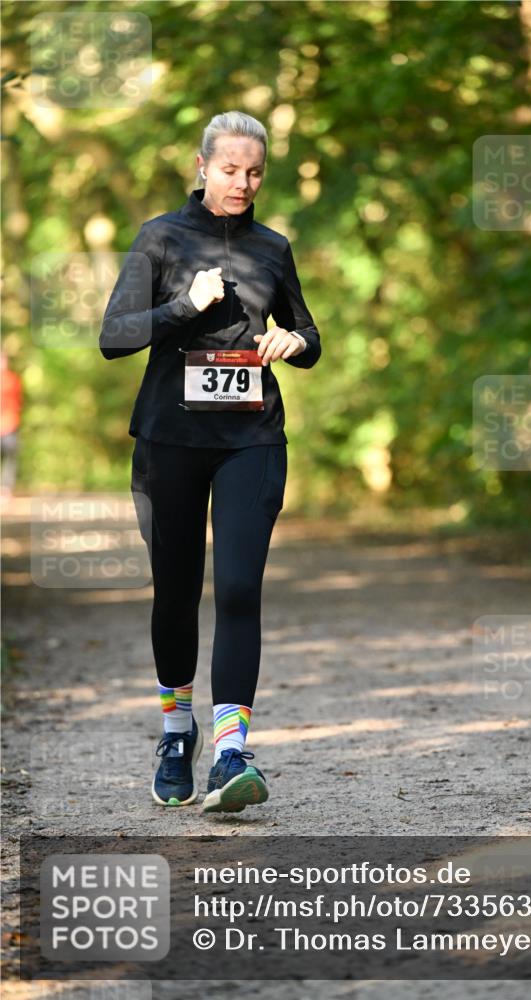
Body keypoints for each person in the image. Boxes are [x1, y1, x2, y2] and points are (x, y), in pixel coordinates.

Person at [99, 111, 321, 814]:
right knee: (175, 592)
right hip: (169, 439)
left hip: (251, 439)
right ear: (202, 167)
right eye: (229, 169)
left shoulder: (272, 247)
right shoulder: (160, 237)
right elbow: (113, 337)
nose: (242, 183)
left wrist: (295, 343)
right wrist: (180, 306)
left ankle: (230, 752)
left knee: (239, 588)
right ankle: (176, 734)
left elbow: (308, 332)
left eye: (254, 172)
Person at [0, 352, 23, 500]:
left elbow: (18, 402)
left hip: (10, 424)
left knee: (10, 457)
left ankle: (6, 488)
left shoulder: (13, 380)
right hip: (7, 423)